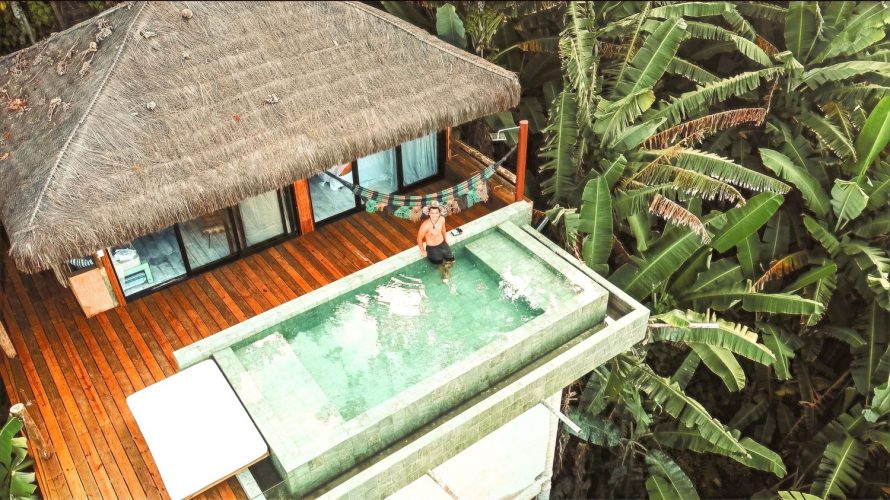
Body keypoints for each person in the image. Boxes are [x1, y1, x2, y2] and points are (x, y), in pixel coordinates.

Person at [417, 200, 455, 280]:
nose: (434, 215)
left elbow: (443, 230)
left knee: (452, 262)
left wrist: (446, 240)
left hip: (442, 243)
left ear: (439, 213)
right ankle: (445, 274)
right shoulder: (425, 225)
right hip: (432, 248)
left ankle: (446, 269)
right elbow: (419, 238)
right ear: (429, 213)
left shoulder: (442, 219)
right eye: (432, 213)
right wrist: (422, 250)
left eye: (436, 213)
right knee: (439, 264)